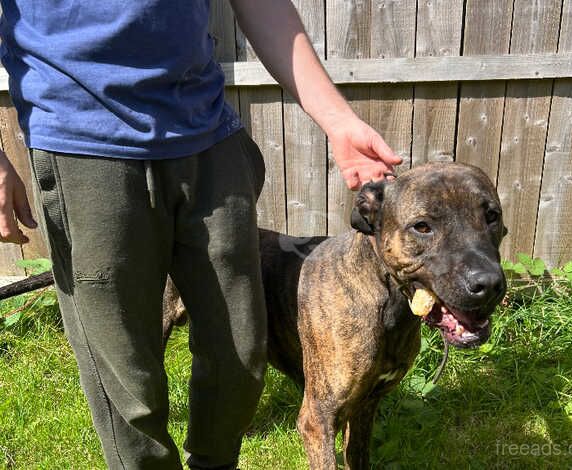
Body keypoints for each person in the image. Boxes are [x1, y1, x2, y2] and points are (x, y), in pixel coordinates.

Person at [0, 1, 401, 468]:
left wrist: (338, 120)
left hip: (207, 133)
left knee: (240, 349)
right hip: (82, 144)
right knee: (125, 370)